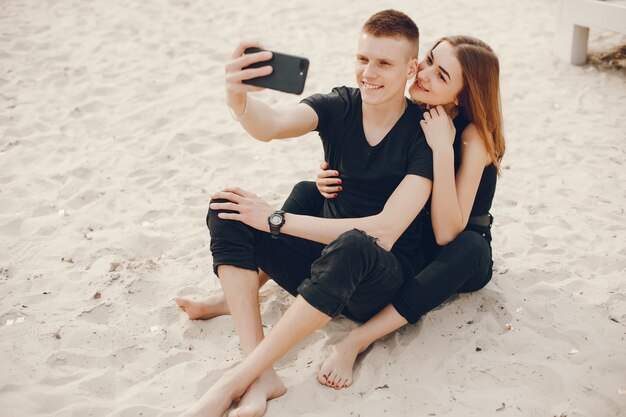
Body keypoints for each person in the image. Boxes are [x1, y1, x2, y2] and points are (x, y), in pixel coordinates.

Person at [178, 34, 506, 399]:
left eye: (442, 75)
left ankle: (357, 341)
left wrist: (443, 152)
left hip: (454, 243)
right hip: (415, 226)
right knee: (307, 191)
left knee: (467, 249)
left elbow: (448, 231)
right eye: (428, 60)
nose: (425, 74)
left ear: (462, 94)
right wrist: (333, 175)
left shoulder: (472, 135)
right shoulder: (419, 115)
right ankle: (247, 284)